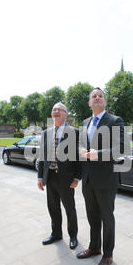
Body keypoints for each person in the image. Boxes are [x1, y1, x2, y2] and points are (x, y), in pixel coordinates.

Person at [76, 87, 124, 265]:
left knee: (107, 218)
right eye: (93, 96)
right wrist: (80, 150)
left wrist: (99, 154)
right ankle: (94, 247)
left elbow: (120, 148)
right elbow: (82, 144)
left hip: (106, 180)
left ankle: (107, 255)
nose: (97, 98)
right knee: (92, 217)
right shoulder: (85, 122)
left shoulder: (114, 120)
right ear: (89, 103)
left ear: (104, 102)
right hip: (88, 179)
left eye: (100, 96)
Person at [37, 103, 81, 250]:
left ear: (66, 114)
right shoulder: (45, 133)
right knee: (53, 207)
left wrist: (77, 177)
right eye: (54, 110)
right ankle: (56, 234)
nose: (56, 111)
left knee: (70, 208)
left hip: (66, 178)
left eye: (60, 110)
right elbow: (42, 155)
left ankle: (73, 236)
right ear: (51, 114)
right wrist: (40, 177)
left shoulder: (74, 132)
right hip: (50, 177)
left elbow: (78, 157)